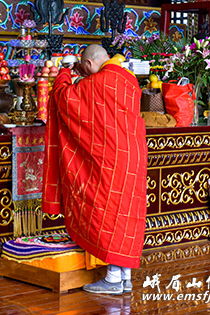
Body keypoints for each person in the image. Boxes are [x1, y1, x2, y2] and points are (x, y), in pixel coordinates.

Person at [41, 44, 147, 295]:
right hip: (133, 156)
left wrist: (65, 72)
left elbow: (65, 98)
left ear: (88, 64)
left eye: (83, 68)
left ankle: (113, 278)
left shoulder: (96, 83)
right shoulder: (130, 80)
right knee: (126, 214)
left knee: (107, 213)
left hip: (108, 158)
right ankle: (125, 276)